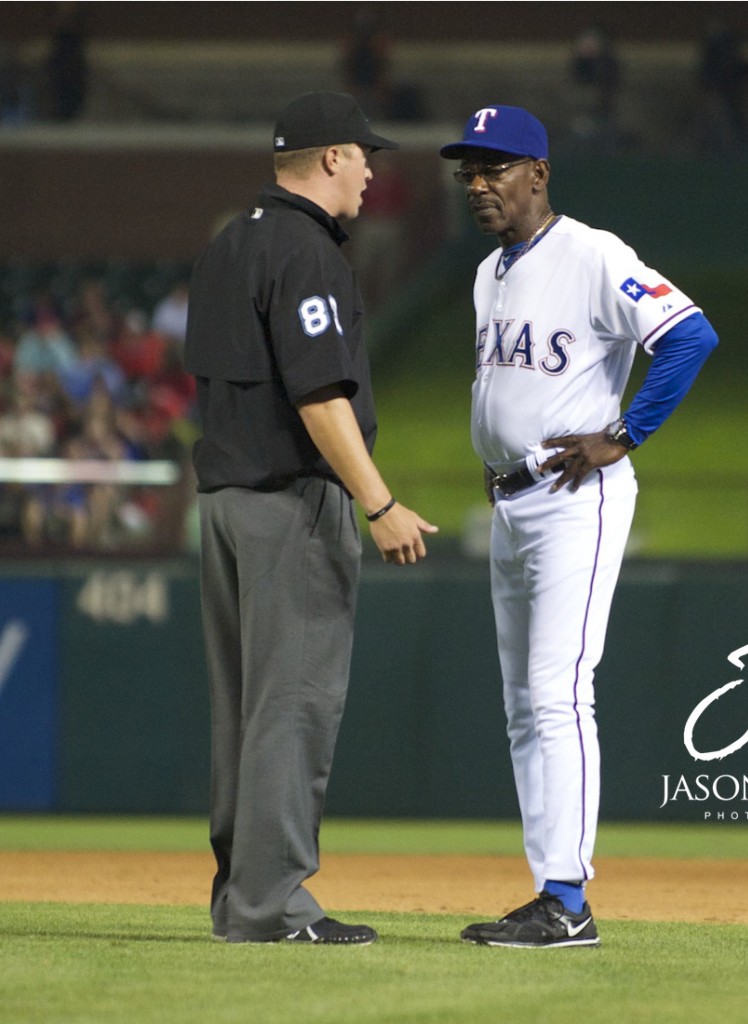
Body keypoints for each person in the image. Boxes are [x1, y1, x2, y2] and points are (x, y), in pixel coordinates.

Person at [440, 106, 718, 948]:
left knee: (559, 692)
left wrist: (623, 434)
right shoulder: (490, 272)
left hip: (574, 498)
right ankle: (546, 890)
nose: (479, 184)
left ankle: (569, 898)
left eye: (495, 168)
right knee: (524, 704)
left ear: (539, 173)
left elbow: (689, 336)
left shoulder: (592, 253)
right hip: (509, 500)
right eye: (468, 171)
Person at [183, 92, 437, 946]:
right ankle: (274, 907)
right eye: (363, 155)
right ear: (329, 158)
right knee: (291, 708)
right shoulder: (305, 249)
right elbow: (320, 394)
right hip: (287, 503)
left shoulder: (232, 240)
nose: (371, 169)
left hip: (222, 503)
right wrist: (382, 502)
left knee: (245, 713)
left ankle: (240, 900)